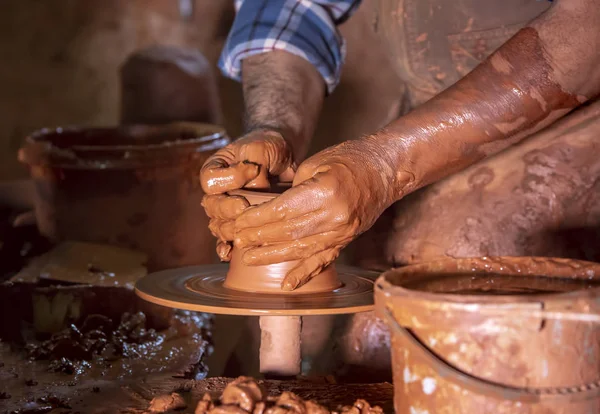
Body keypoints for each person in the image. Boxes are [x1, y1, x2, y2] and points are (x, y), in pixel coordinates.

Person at [200, 0, 600, 291]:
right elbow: (290, 11)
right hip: (420, 116)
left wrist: (386, 166)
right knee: (345, 313)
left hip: (578, 112)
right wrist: (275, 126)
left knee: (452, 274)